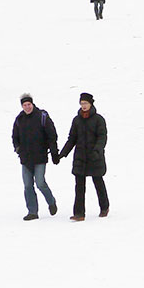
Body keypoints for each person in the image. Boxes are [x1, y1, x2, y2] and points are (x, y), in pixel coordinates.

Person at [59, 92, 110, 220]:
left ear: (91, 104)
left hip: (95, 157)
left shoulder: (99, 119)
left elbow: (102, 137)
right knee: (79, 186)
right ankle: (79, 213)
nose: (83, 106)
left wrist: (97, 151)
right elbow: (72, 139)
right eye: (81, 103)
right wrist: (63, 153)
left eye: (85, 103)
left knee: (98, 182)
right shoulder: (76, 120)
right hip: (80, 158)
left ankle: (104, 207)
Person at [12, 93, 60, 220]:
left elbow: (52, 135)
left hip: (40, 157)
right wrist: (18, 149)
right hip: (25, 158)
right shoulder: (19, 119)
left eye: (29, 104)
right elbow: (15, 136)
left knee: (40, 183)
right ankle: (32, 211)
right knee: (28, 185)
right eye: (24, 105)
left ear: (32, 104)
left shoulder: (42, 116)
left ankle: (51, 202)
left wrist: (54, 152)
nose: (27, 107)